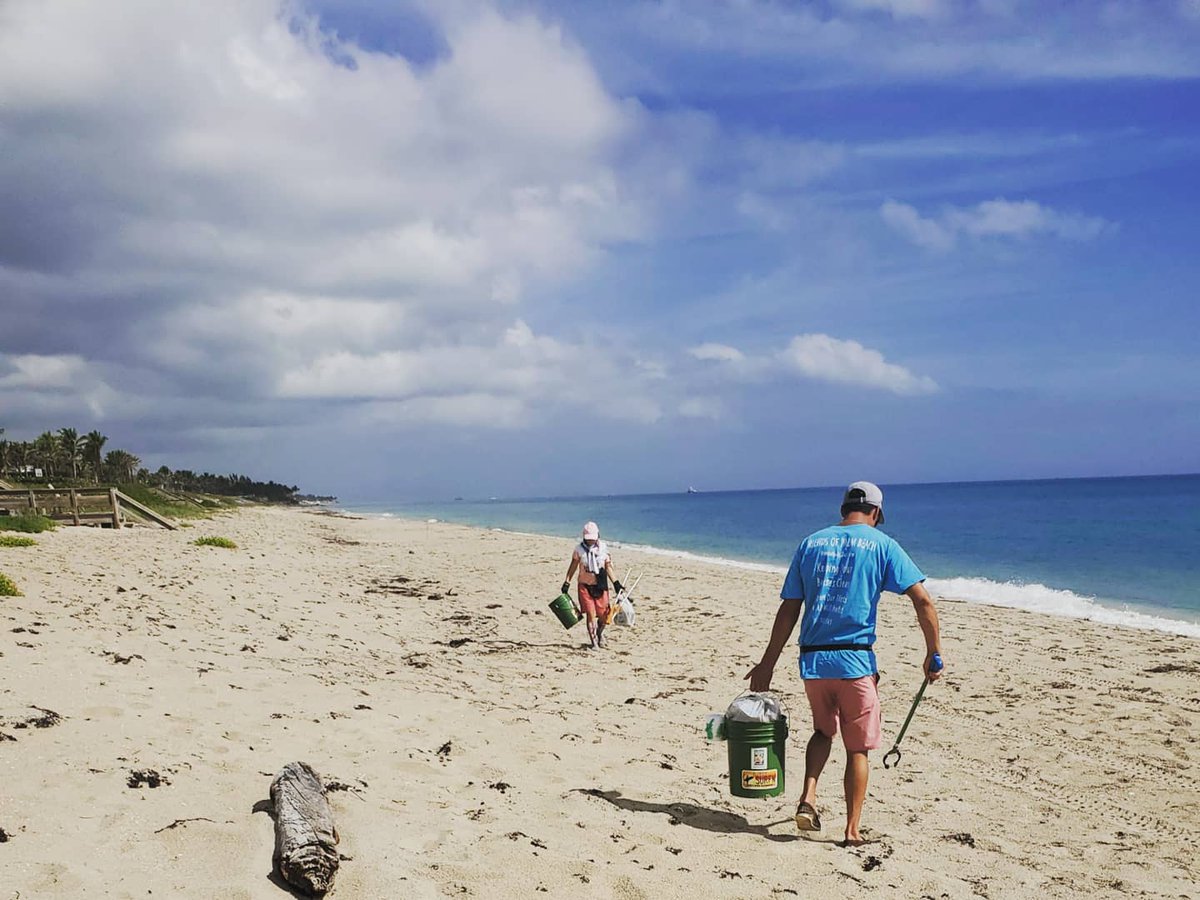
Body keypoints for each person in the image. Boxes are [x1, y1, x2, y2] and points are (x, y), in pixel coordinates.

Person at [744, 481, 943, 846]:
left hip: (814, 662)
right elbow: (923, 601)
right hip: (855, 663)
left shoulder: (811, 543)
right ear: (877, 513)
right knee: (857, 749)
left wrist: (767, 663)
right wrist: (933, 652)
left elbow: (789, 608)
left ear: (842, 509)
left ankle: (808, 798)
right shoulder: (883, 545)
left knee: (823, 732)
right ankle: (852, 831)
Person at [561, 521, 624, 650]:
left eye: (593, 538)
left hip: (601, 586)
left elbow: (607, 567)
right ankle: (594, 642)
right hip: (585, 586)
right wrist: (567, 582)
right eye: (588, 539)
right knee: (590, 613)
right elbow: (573, 567)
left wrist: (616, 583)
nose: (590, 541)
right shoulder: (579, 550)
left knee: (605, 614)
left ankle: (600, 634)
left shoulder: (603, 549)